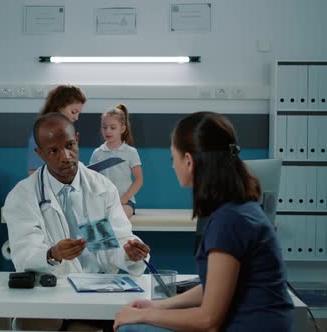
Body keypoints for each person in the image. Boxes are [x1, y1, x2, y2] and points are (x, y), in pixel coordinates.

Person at [114, 112, 294, 332]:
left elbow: (208, 320)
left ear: (188, 161)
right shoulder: (238, 210)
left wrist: (146, 315)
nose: (173, 166)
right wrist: (158, 305)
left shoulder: (229, 221)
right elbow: (213, 287)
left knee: (131, 328)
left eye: (174, 158)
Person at [5, 112, 150, 278]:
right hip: (54, 287)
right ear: (40, 153)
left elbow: (114, 242)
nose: (66, 157)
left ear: (77, 140)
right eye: (53, 151)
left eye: (69, 146)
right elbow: (25, 256)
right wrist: (53, 254)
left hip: (100, 283)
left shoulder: (101, 188)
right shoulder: (23, 196)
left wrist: (130, 253)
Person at [90, 104, 143, 220]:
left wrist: (125, 198)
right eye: (104, 127)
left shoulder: (130, 152)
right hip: (102, 204)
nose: (108, 131)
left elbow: (139, 180)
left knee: (117, 219)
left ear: (122, 129)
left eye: (113, 128)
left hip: (125, 203)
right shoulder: (97, 153)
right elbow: (92, 181)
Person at [27, 85, 86, 175]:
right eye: (73, 112)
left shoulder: (68, 134)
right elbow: (34, 172)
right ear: (59, 107)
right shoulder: (41, 134)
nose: (76, 118)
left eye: (79, 113)